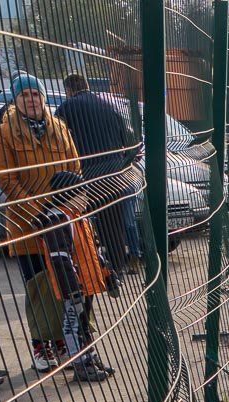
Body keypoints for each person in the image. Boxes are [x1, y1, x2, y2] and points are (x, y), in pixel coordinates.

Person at [0, 73, 114, 381]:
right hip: (28, 225)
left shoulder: (60, 127)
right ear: (16, 100)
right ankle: (41, 346)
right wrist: (39, 212)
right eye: (25, 96)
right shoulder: (6, 133)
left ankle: (65, 343)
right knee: (38, 287)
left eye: (35, 94)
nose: (31, 100)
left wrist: (66, 206)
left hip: (63, 221)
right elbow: (8, 180)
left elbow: (74, 169)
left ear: (43, 98)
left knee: (66, 284)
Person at [55, 73, 141, 275]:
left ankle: (91, 267)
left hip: (85, 174)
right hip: (113, 176)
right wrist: (121, 165)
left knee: (84, 222)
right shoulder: (109, 105)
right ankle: (116, 268)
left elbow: (56, 138)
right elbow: (132, 143)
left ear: (68, 90)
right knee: (114, 222)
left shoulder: (67, 108)